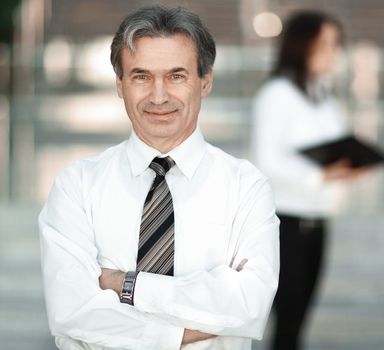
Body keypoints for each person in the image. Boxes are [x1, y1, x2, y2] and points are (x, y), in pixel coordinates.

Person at [39, 6, 279, 350]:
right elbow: (72, 313)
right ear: (120, 84)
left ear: (206, 80)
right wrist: (186, 332)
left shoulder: (246, 188)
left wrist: (126, 286)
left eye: (176, 76)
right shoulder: (76, 186)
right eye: (141, 76)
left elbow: (250, 306)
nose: (159, 96)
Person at [252, 11, 365, 350]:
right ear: (303, 45)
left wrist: (348, 166)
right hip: (286, 223)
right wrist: (321, 175)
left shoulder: (323, 97)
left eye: (336, 45)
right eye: (326, 44)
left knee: (297, 319)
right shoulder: (276, 94)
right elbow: (266, 160)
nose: (334, 52)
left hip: (317, 221)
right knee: (284, 320)